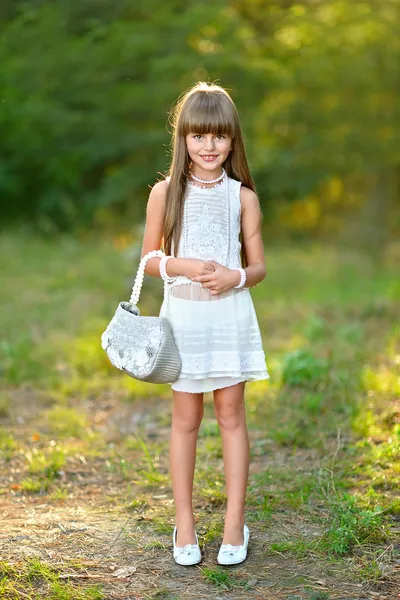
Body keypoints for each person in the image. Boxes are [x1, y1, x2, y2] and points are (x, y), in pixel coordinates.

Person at [139, 81, 269, 566]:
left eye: (218, 137)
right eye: (199, 136)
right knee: (185, 421)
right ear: (184, 139)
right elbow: (150, 260)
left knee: (232, 416)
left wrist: (234, 275)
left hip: (229, 315)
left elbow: (257, 268)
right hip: (184, 318)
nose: (209, 146)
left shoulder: (243, 197)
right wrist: (184, 266)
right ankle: (185, 523)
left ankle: (235, 522)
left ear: (233, 140)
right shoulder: (165, 192)